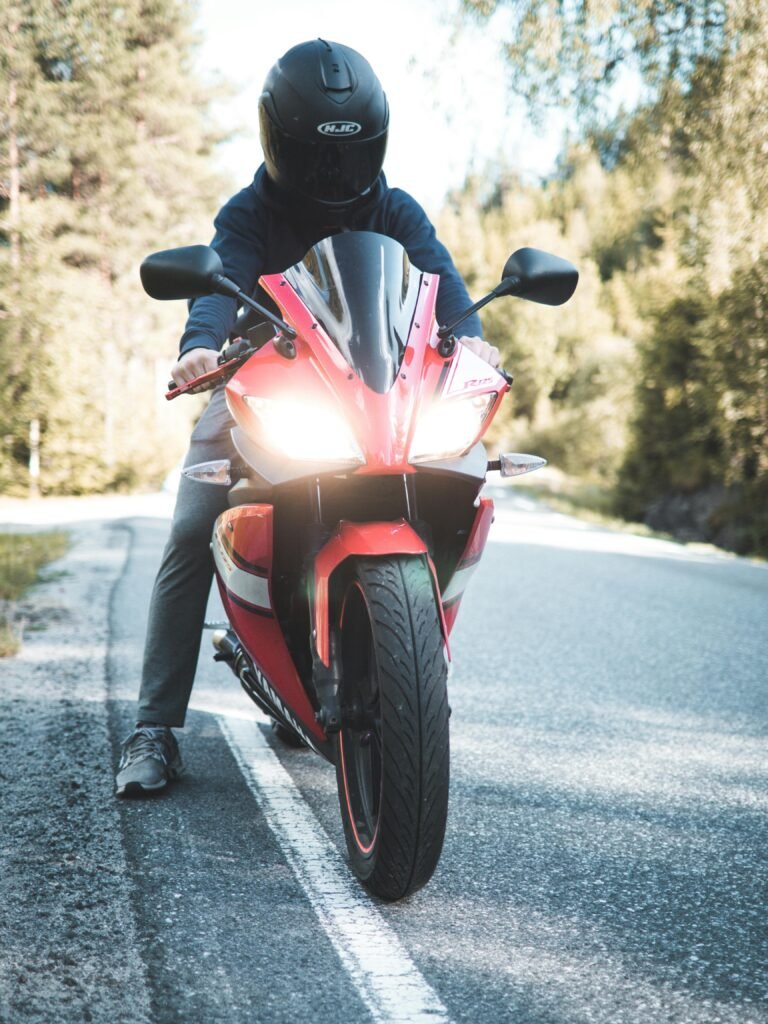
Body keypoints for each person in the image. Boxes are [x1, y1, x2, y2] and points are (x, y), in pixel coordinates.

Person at [116, 37, 499, 796]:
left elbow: (446, 291)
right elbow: (215, 288)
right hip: (271, 392)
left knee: (464, 476)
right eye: (320, 156)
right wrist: (200, 349)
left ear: (375, 145)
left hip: (377, 399)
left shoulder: (395, 209)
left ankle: (407, 673)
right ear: (280, 143)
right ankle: (153, 725)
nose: (335, 173)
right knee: (195, 525)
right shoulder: (250, 211)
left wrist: (478, 349)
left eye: (351, 156)